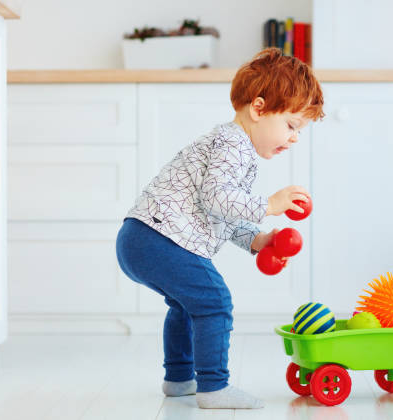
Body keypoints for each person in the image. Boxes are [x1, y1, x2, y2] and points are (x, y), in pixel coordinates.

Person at [116, 47, 324, 409]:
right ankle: (214, 387)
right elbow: (218, 197)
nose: (293, 138)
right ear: (258, 108)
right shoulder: (233, 144)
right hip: (160, 237)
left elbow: (222, 213)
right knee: (214, 300)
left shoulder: (234, 146)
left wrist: (257, 240)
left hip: (142, 237)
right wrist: (269, 205)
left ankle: (179, 379)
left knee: (187, 303)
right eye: (291, 126)